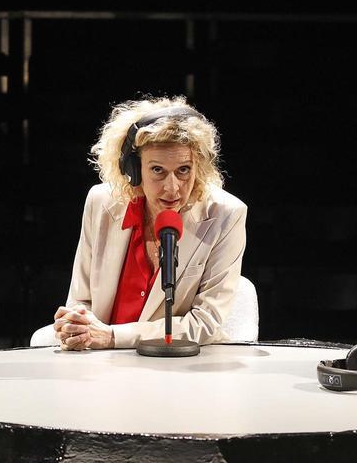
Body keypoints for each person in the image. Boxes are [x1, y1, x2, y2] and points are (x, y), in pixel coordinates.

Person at [52, 96, 247, 349]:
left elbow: (205, 322)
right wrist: (76, 325)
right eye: (157, 170)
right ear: (133, 170)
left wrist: (112, 337)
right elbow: (81, 299)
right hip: (101, 361)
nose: (172, 188)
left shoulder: (226, 215)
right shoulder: (101, 203)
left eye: (183, 170)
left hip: (177, 362)